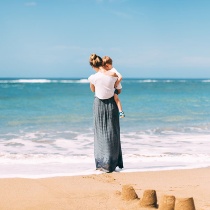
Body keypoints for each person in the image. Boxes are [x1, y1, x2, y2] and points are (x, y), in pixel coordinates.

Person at [88, 53, 124, 173]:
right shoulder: (114, 75)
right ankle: (113, 162)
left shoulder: (93, 77)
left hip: (99, 105)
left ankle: (102, 163)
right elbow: (119, 90)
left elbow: (93, 90)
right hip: (111, 105)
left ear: (94, 66)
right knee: (112, 132)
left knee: (100, 133)